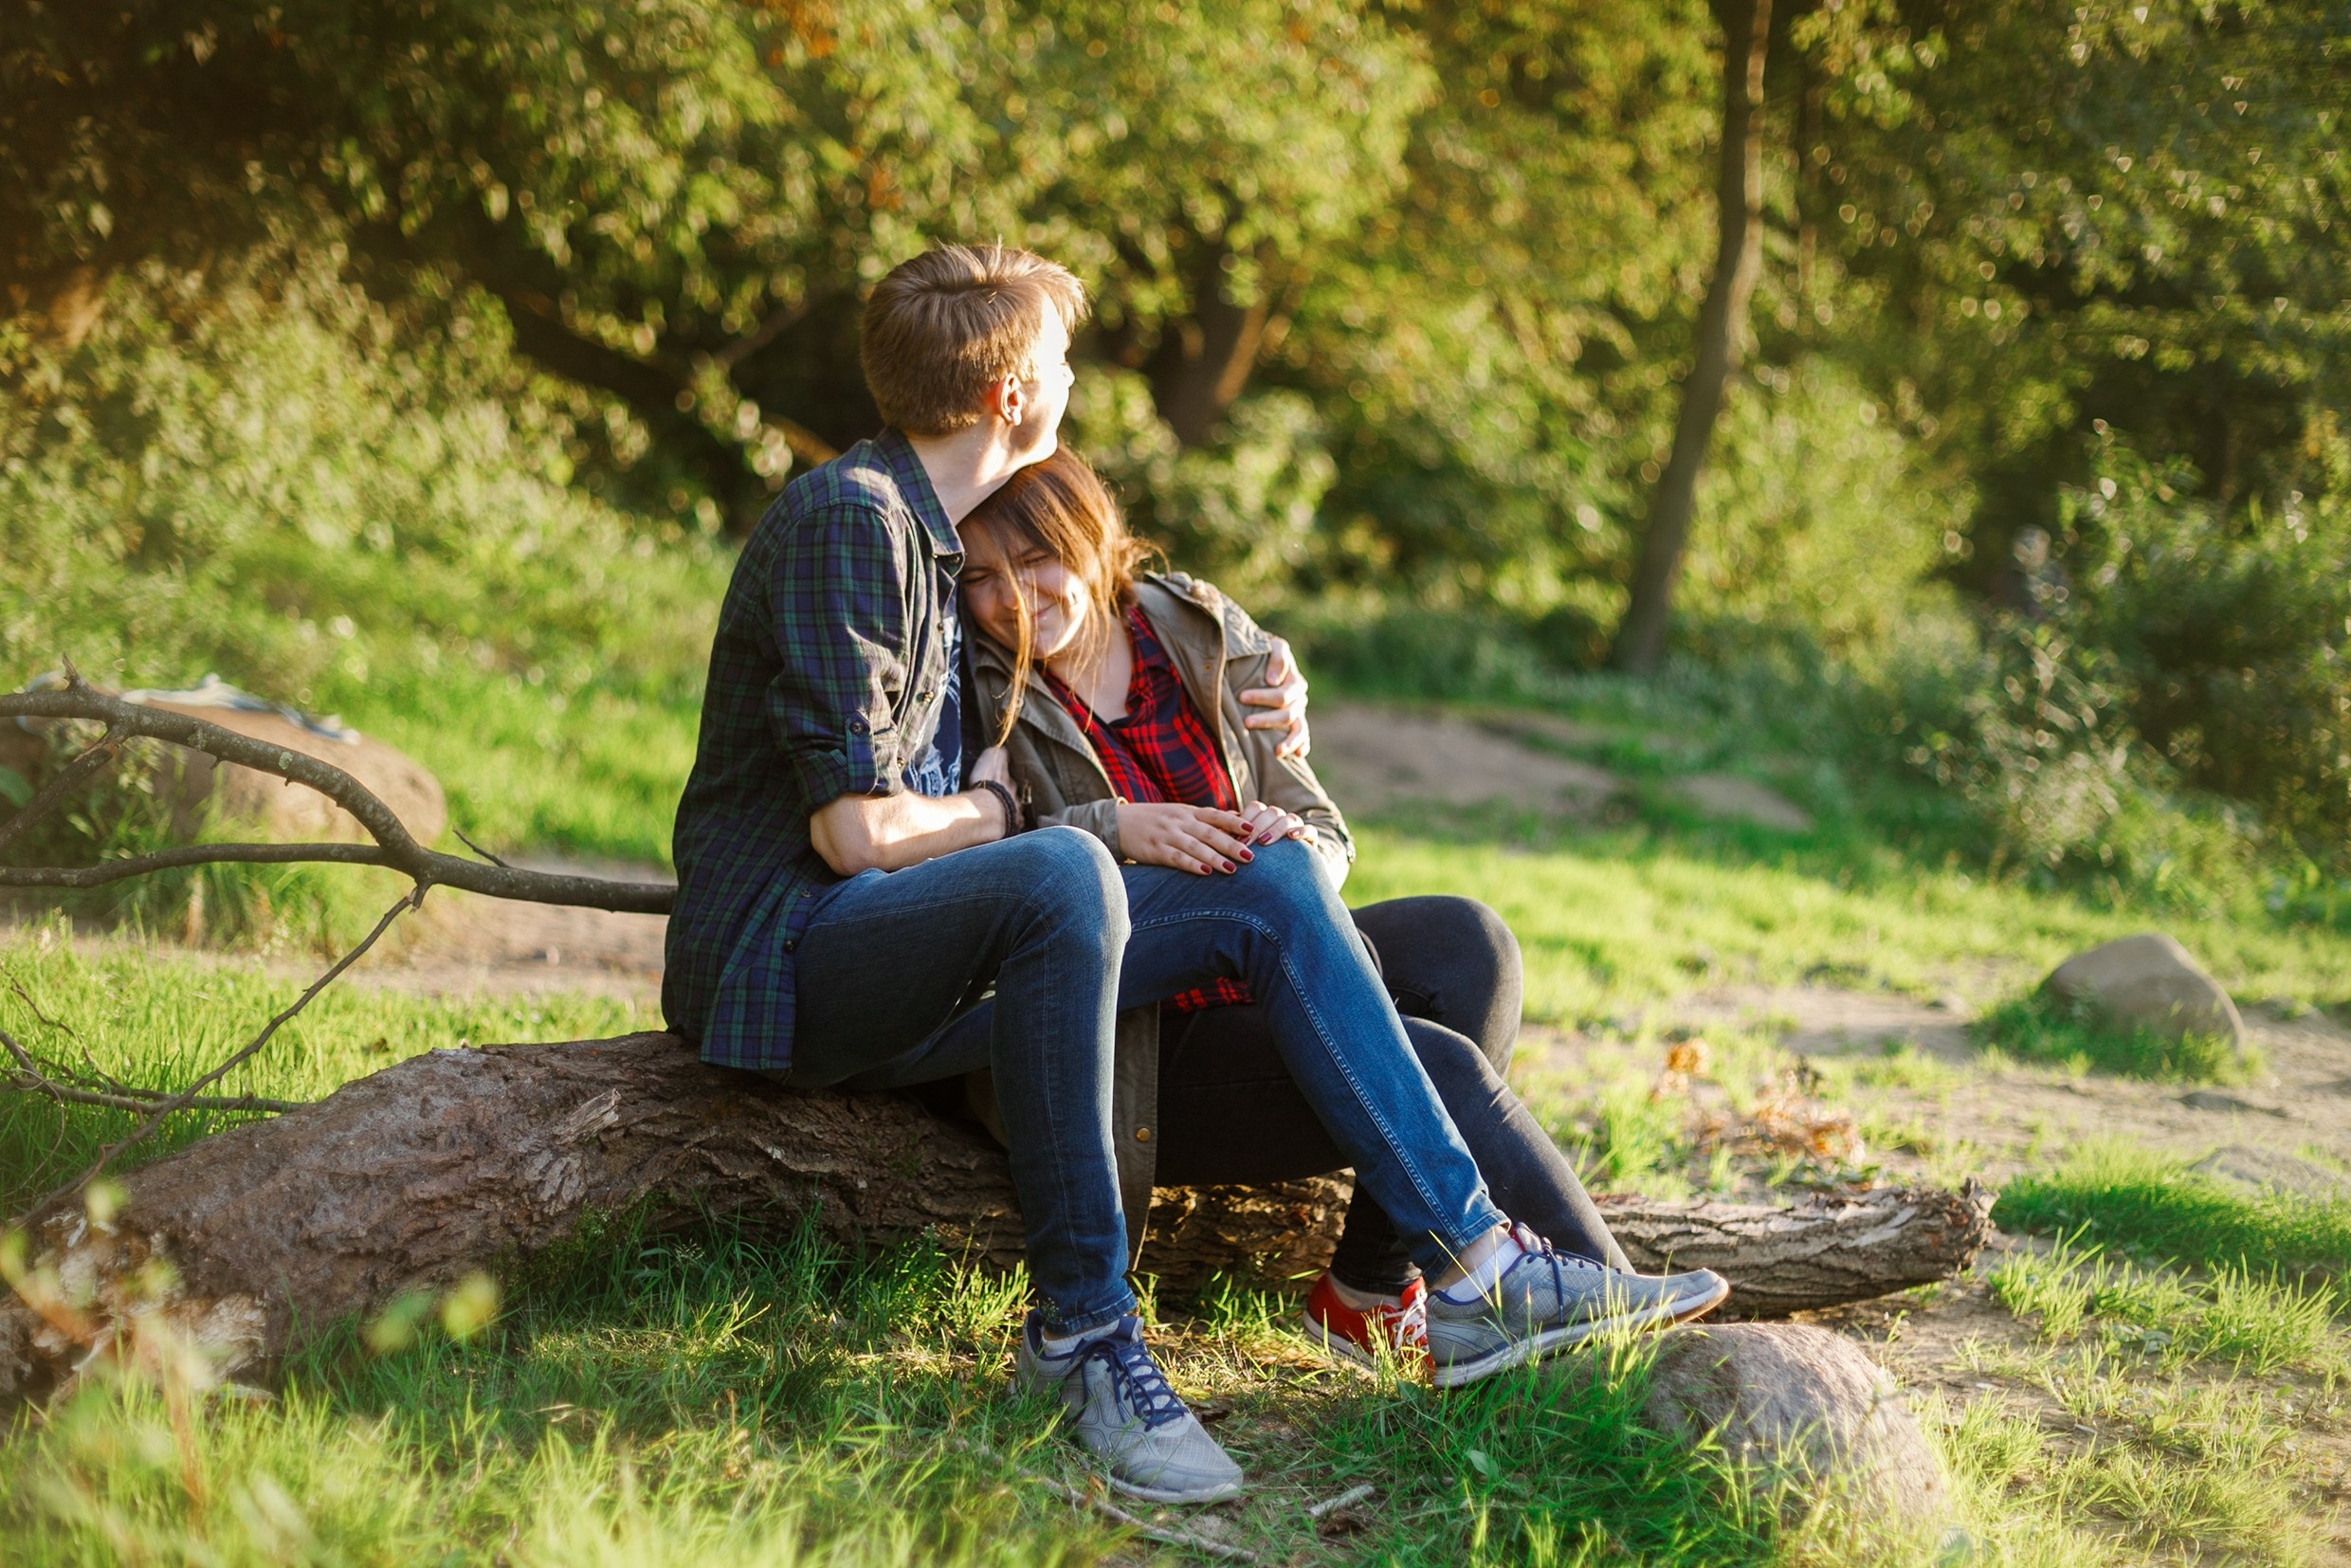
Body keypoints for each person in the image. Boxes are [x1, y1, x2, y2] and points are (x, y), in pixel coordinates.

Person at [665, 243, 1722, 1506]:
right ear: (1015, 396)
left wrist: (1277, 716)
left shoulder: (943, 548)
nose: (1072, 378)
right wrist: (1031, 814)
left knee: (1277, 889)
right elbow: (851, 835)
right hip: (795, 960)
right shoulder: (858, 518)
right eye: (1059, 359)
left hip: (927, 938)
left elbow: (1156, 677)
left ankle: (1485, 1266)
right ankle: (1086, 1338)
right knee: (1064, 867)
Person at [947, 446, 1726, 1376]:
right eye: (981, 577)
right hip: (1142, 1039)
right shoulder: (981, 688)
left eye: (1032, 560)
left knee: (1466, 944)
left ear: (1090, 539)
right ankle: (1621, 1347)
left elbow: (1319, 824)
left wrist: (1295, 848)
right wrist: (1113, 828)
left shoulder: (1189, 623)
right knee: (1436, 1061)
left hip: (1271, 968)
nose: (1008, 598)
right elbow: (977, 856)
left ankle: (1362, 1290)